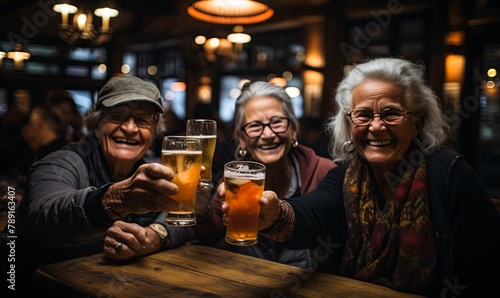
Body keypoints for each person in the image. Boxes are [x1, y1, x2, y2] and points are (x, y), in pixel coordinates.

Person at [218, 58, 500, 296]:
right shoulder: (345, 176)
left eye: (391, 113)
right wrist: (274, 214)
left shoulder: (450, 175)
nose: (376, 127)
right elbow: (314, 213)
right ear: (349, 124)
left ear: (417, 122)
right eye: (363, 115)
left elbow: (487, 273)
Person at [0, 76, 201, 296]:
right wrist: (113, 200)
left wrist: (156, 234)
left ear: (153, 133)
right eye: (117, 116)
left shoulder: (152, 167)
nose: (130, 128)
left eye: (143, 119)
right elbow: (43, 218)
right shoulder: (61, 161)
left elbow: (186, 214)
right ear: (97, 124)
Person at [194, 81, 336, 271]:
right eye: (254, 126)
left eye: (277, 122)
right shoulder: (234, 179)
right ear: (242, 139)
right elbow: (212, 233)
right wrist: (200, 209)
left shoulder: (324, 172)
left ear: (293, 130)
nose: (268, 134)